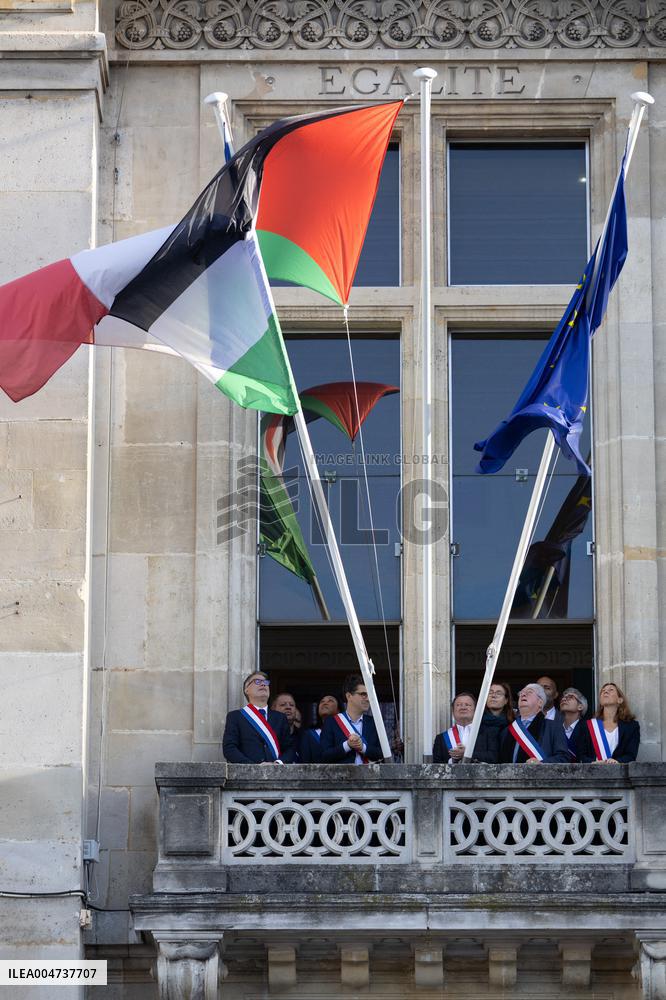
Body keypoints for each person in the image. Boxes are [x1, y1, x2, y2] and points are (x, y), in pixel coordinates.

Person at [222, 671, 296, 764]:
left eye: (265, 682)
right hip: (248, 774)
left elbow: (290, 748)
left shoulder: (280, 718)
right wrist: (253, 767)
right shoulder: (235, 716)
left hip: (276, 773)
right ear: (246, 690)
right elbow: (229, 748)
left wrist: (278, 763)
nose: (263, 684)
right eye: (257, 681)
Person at [499, 683, 570, 763]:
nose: (523, 694)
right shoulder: (507, 731)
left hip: (540, 775)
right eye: (521, 693)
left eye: (529, 692)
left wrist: (542, 764)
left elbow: (563, 757)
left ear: (540, 702)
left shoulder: (553, 727)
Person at [321, 675, 383, 764]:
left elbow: (382, 754)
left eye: (369, 694)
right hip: (342, 777)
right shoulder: (331, 722)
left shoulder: (375, 723)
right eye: (363, 694)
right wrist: (347, 745)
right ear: (349, 696)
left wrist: (363, 748)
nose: (368, 699)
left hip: (369, 777)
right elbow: (324, 756)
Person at [576, 682, 640, 764]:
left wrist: (617, 762)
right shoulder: (587, 725)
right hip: (592, 773)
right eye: (603, 691)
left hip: (619, 773)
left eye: (611, 690)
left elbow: (631, 755)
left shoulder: (631, 726)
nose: (605, 692)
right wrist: (593, 763)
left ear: (620, 700)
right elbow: (581, 755)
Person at [432, 692, 500, 764]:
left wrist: (467, 754)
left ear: (476, 710)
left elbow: (495, 757)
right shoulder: (441, 738)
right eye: (458, 705)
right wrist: (453, 760)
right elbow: (436, 765)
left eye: (467, 705)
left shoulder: (490, 733)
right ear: (453, 711)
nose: (463, 707)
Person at [299, 694, 340, 763]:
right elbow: (305, 763)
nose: (325, 703)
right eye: (322, 701)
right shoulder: (309, 734)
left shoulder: (344, 731)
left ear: (339, 710)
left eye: (330, 701)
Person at [559, 687, 588, 761]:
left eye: (570, 697)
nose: (564, 699)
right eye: (563, 697)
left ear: (580, 706)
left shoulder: (588, 728)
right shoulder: (554, 729)